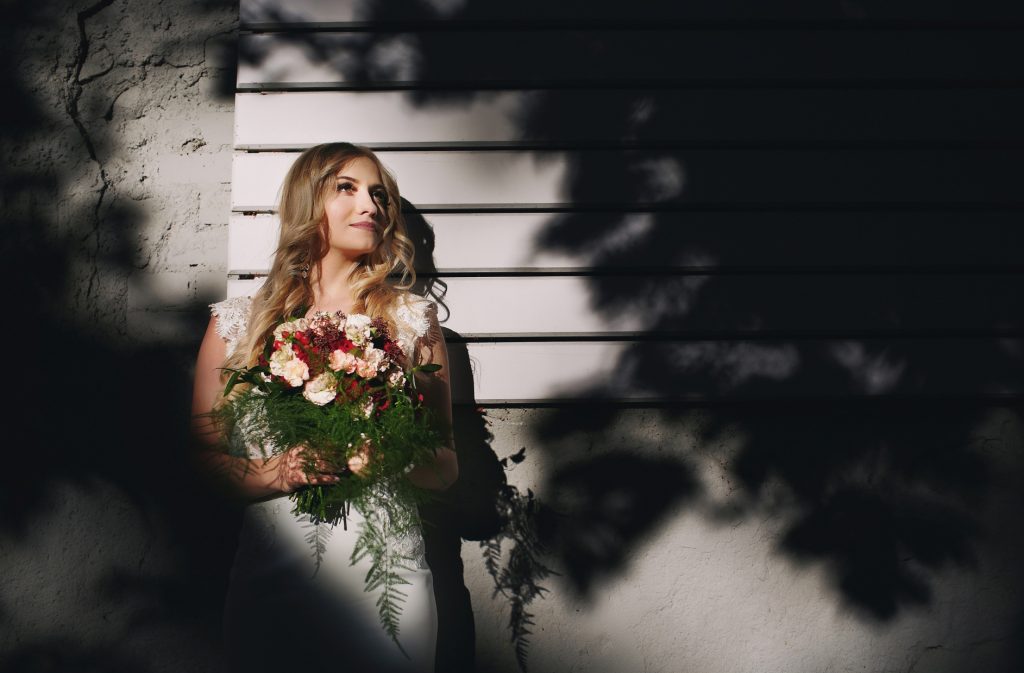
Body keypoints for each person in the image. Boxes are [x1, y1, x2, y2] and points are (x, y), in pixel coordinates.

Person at [190, 143, 458, 673]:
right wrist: (281, 470)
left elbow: (446, 466)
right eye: (347, 188)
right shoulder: (239, 324)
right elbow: (203, 461)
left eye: (379, 194)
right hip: (275, 580)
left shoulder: (412, 321)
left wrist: (392, 457)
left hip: (388, 581)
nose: (371, 206)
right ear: (307, 200)